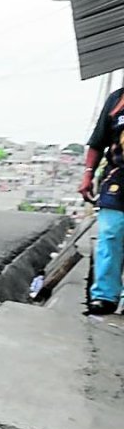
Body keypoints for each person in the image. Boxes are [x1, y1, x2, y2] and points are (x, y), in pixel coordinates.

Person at [79, 87, 124, 314]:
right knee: (111, 233)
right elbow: (98, 142)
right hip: (118, 178)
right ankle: (105, 296)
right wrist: (88, 175)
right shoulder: (117, 100)